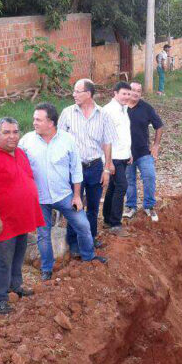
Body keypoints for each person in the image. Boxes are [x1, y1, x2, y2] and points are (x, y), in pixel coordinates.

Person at [20, 103, 107, 281]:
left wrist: (77, 196)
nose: (34, 122)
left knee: (82, 225)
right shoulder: (26, 141)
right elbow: (19, 167)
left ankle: (88, 256)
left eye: (38, 119)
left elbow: (76, 169)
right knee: (43, 234)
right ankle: (46, 269)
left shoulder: (67, 140)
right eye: (34, 119)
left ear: (51, 123)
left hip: (64, 195)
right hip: (39, 198)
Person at [0, 118, 44, 315]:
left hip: (21, 217)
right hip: (3, 220)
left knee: (18, 254)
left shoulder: (20, 153)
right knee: (2, 259)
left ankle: (15, 286)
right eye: (6, 132)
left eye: (15, 131)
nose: (12, 136)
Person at [57, 78, 117, 255]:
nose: (74, 94)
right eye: (74, 91)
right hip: (74, 168)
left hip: (95, 167)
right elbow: (59, 140)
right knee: (74, 206)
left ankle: (90, 239)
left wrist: (107, 167)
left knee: (92, 206)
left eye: (77, 91)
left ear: (88, 94)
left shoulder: (103, 114)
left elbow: (107, 142)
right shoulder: (67, 113)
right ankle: (73, 243)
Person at [123, 82, 164, 222]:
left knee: (150, 177)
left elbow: (159, 126)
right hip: (125, 154)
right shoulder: (121, 108)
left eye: (138, 91)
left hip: (144, 153)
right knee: (129, 181)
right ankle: (130, 206)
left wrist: (156, 146)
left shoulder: (146, 108)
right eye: (133, 90)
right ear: (128, 91)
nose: (135, 93)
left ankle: (149, 206)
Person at [102, 82, 132, 233]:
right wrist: (109, 162)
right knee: (122, 186)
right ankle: (115, 224)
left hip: (123, 155)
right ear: (115, 93)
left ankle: (107, 219)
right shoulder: (108, 111)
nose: (126, 97)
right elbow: (105, 137)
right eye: (123, 93)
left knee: (113, 187)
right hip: (113, 157)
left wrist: (129, 153)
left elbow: (124, 134)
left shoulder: (124, 109)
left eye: (128, 94)